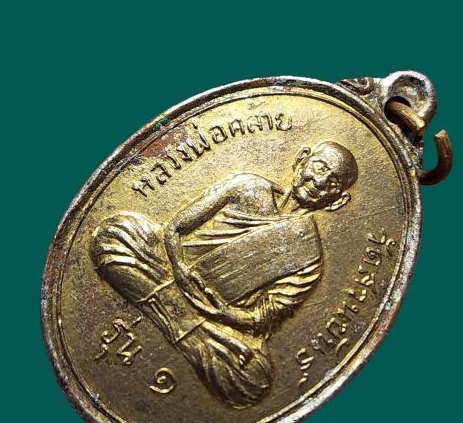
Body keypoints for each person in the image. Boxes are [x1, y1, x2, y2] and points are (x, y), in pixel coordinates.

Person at [90, 141, 358, 408]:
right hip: (165, 265)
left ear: (338, 201)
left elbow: (263, 317)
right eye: (319, 167)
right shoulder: (248, 186)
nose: (319, 182)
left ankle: (171, 310)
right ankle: (182, 320)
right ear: (302, 159)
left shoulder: (309, 257)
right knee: (115, 234)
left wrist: (223, 314)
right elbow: (175, 229)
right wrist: (179, 269)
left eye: (332, 183)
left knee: (252, 382)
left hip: (212, 316)